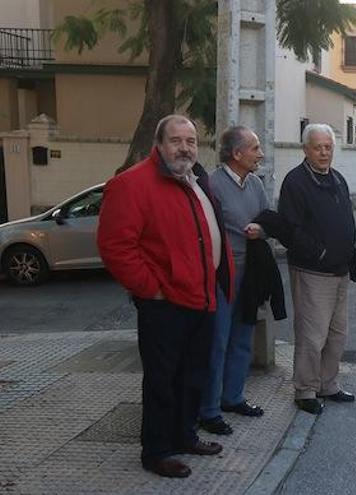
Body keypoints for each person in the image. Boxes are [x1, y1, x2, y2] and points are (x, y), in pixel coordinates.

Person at [97, 115, 233, 478]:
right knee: (162, 380)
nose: (185, 148)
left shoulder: (195, 179)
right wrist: (151, 289)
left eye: (190, 141)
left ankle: (185, 435)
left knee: (193, 376)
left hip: (202, 298)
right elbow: (115, 247)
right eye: (176, 141)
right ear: (159, 144)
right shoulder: (132, 184)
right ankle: (156, 451)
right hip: (164, 304)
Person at [278, 123, 356, 415]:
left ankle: (328, 384)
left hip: (340, 271)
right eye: (318, 147)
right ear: (305, 149)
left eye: (328, 147)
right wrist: (321, 253)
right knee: (312, 336)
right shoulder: (296, 182)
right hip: (313, 272)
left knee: (337, 334)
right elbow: (291, 229)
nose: (324, 152)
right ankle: (305, 389)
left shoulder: (336, 178)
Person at [198, 126, 271, 436]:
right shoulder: (211, 187)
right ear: (237, 154)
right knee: (218, 342)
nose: (261, 154)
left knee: (243, 338)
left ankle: (233, 397)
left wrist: (262, 230)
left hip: (251, 273)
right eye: (255, 148)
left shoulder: (255, 184)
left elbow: (269, 219)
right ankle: (209, 410)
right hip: (223, 275)